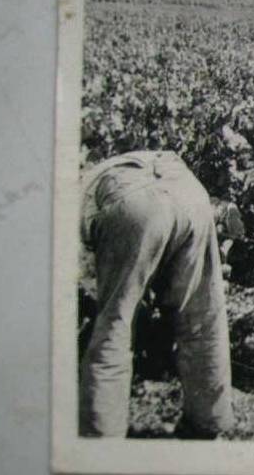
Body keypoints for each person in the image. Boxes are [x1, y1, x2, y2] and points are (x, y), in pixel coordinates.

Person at [79, 150, 234, 438]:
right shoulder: (99, 172)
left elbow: (90, 281)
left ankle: (100, 439)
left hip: (130, 201)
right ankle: (208, 422)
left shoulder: (73, 203)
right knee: (201, 316)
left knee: (114, 325)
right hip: (189, 191)